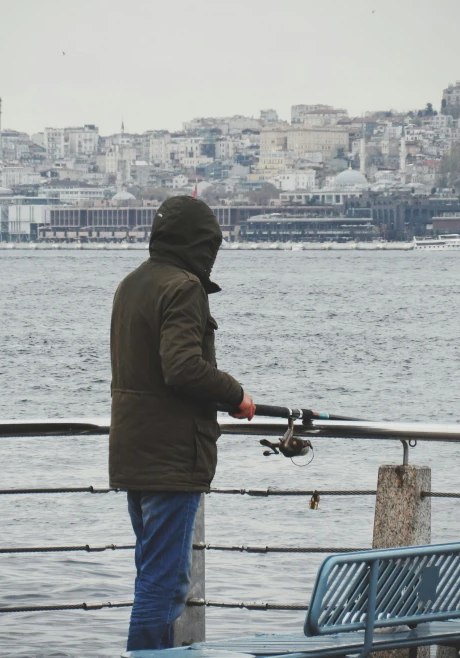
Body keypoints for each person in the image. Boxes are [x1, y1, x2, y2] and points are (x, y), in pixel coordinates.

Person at [109, 195, 255, 651]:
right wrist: (237, 395)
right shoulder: (184, 286)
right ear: (201, 243)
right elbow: (182, 368)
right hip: (171, 458)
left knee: (152, 575)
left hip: (135, 453)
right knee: (164, 586)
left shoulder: (132, 284)